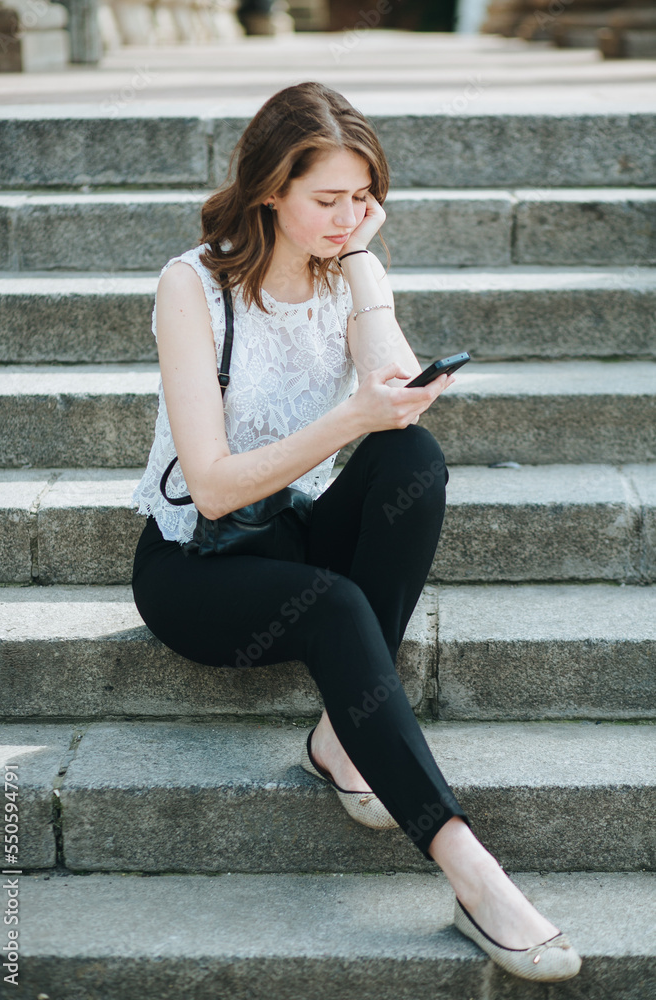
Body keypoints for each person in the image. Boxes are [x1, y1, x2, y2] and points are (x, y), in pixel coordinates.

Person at [131, 81, 581, 983]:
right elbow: (212, 488)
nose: (348, 217)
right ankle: (470, 870)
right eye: (328, 200)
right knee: (335, 603)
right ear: (271, 191)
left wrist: (365, 266)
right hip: (195, 564)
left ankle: (342, 734)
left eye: (363, 198)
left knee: (411, 457)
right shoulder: (192, 286)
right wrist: (349, 418)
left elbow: (393, 391)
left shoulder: (346, 266)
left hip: (290, 529)